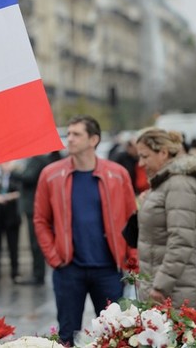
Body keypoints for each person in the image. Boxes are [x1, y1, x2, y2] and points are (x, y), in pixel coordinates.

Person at [34, 115, 137, 345]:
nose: (69, 139)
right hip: (69, 269)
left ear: (94, 140)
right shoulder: (51, 174)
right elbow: (41, 219)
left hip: (109, 269)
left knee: (114, 335)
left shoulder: (117, 174)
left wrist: (132, 259)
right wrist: (53, 256)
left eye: (76, 134)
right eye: (68, 133)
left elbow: (132, 219)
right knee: (67, 335)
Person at [136, 128, 196, 314]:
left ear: (163, 153)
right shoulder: (165, 183)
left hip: (176, 286)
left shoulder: (179, 185)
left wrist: (160, 285)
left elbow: (181, 240)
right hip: (167, 283)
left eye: (145, 156)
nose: (141, 163)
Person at [11, 150, 62, 285]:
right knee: (35, 242)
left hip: (33, 207)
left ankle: (38, 274)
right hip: (31, 207)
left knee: (36, 243)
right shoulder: (38, 159)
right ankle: (37, 273)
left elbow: (29, 177)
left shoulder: (38, 159)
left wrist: (13, 172)